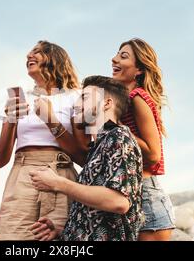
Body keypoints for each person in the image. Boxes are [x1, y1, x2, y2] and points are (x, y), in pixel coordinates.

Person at [0, 41, 90, 240]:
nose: (30, 54)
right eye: (30, 51)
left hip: (61, 175)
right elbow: (0, 160)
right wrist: (11, 121)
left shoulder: (76, 97)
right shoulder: (18, 98)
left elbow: (84, 158)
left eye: (38, 52)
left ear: (55, 58)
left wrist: (51, 121)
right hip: (21, 176)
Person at [29, 76, 144, 241]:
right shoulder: (97, 146)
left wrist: (57, 183)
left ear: (107, 103)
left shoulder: (119, 136)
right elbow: (98, 211)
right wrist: (64, 231)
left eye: (85, 98)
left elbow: (118, 201)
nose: (76, 105)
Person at [112, 38, 175, 241]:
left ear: (138, 69)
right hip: (129, 192)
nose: (114, 59)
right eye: (117, 54)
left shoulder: (137, 97)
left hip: (146, 194)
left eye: (123, 56)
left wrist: (116, 127)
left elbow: (154, 154)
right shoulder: (123, 102)